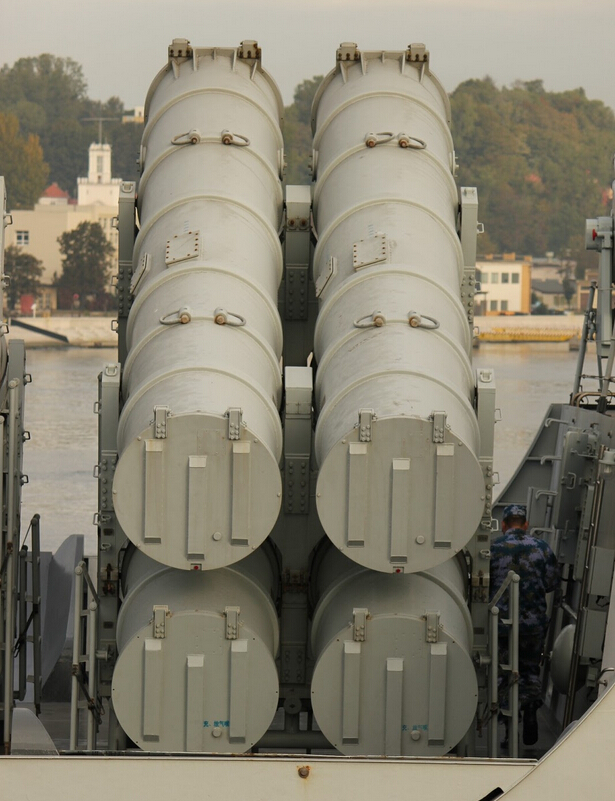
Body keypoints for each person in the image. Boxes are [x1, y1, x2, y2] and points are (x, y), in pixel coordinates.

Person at [490, 503, 559, 747]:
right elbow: (551, 584)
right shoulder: (542, 548)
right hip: (533, 625)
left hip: (501, 626)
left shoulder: (494, 548)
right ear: (526, 524)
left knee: (503, 674)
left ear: (504, 525)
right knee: (529, 670)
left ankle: (510, 730)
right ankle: (530, 709)